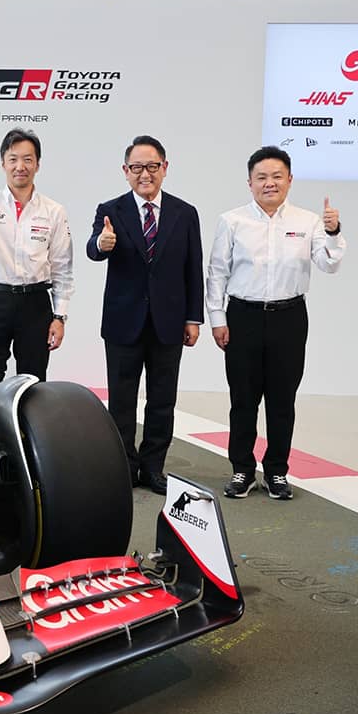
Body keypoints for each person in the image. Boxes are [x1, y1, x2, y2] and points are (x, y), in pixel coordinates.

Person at [206, 145, 347, 500]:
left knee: (282, 401)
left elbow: (329, 264)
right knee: (243, 400)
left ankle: (277, 471)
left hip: (290, 317)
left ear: (289, 180)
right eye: (262, 177)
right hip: (242, 317)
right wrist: (217, 319)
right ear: (250, 182)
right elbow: (217, 273)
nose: (270, 183)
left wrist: (333, 232)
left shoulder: (308, 221)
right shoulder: (232, 220)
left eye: (277, 176)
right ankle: (241, 470)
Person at [86, 135, 203, 495]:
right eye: (137, 167)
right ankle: (124, 466)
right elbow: (94, 248)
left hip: (169, 323)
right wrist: (101, 244)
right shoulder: (111, 210)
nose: (145, 174)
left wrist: (193, 318)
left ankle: (153, 468)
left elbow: (193, 268)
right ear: (126, 171)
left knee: (162, 400)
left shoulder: (185, 213)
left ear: (165, 168)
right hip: (124, 323)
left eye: (152, 166)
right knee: (121, 401)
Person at [0, 128, 74, 436]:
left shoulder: (54, 211)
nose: (20, 166)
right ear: (3, 163)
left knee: (33, 386)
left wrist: (59, 317)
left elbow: (63, 268)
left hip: (36, 305)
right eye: (13, 159)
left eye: (27, 159)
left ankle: (32, 462)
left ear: (38, 164)